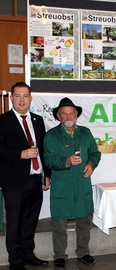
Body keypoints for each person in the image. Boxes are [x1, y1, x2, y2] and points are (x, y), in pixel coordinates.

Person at [43, 98, 101, 270]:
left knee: (84, 222)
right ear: (59, 116)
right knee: (59, 225)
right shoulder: (51, 136)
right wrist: (67, 160)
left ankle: (83, 252)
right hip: (63, 185)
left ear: (76, 115)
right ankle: (60, 256)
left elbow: (95, 153)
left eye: (71, 113)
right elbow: (49, 160)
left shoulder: (85, 133)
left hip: (82, 184)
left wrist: (91, 164)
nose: (68, 116)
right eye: (64, 113)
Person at [0, 82, 51, 270]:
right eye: (18, 96)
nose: (22, 100)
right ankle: (15, 261)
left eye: (25, 96)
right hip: (14, 182)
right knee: (13, 223)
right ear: (11, 98)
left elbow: (43, 151)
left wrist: (46, 175)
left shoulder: (38, 120)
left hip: (35, 179)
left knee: (30, 221)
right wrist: (20, 154)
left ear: (30, 98)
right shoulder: (3, 121)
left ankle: (28, 254)